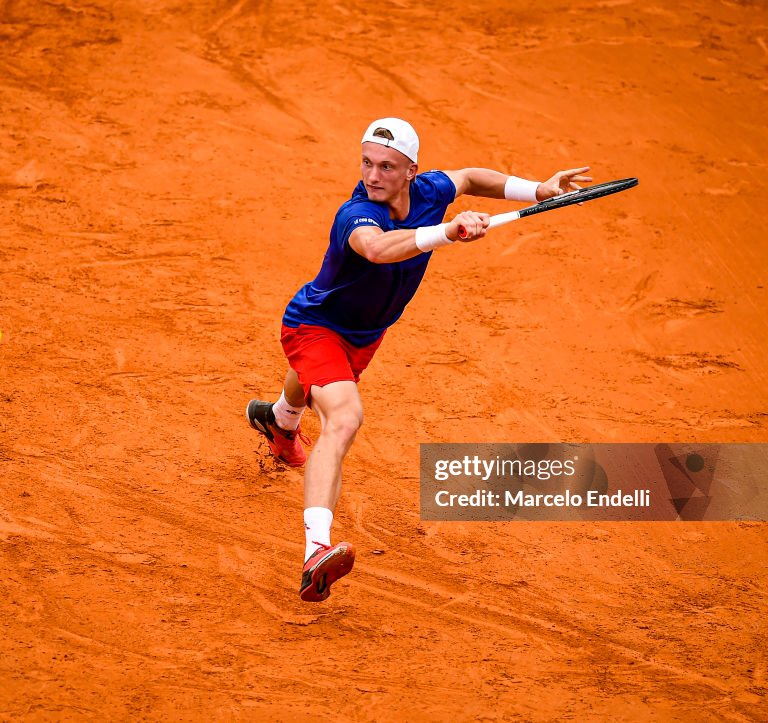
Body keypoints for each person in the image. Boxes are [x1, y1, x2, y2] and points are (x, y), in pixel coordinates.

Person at [247, 117, 591, 602]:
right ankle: (315, 551)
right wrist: (447, 232)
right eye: (366, 163)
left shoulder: (430, 191)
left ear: (412, 170)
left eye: (386, 166)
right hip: (315, 326)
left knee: (315, 386)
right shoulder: (357, 214)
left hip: (365, 332)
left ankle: (280, 421)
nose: (372, 175)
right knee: (343, 418)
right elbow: (378, 249)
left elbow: (470, 177)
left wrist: (536, 190)